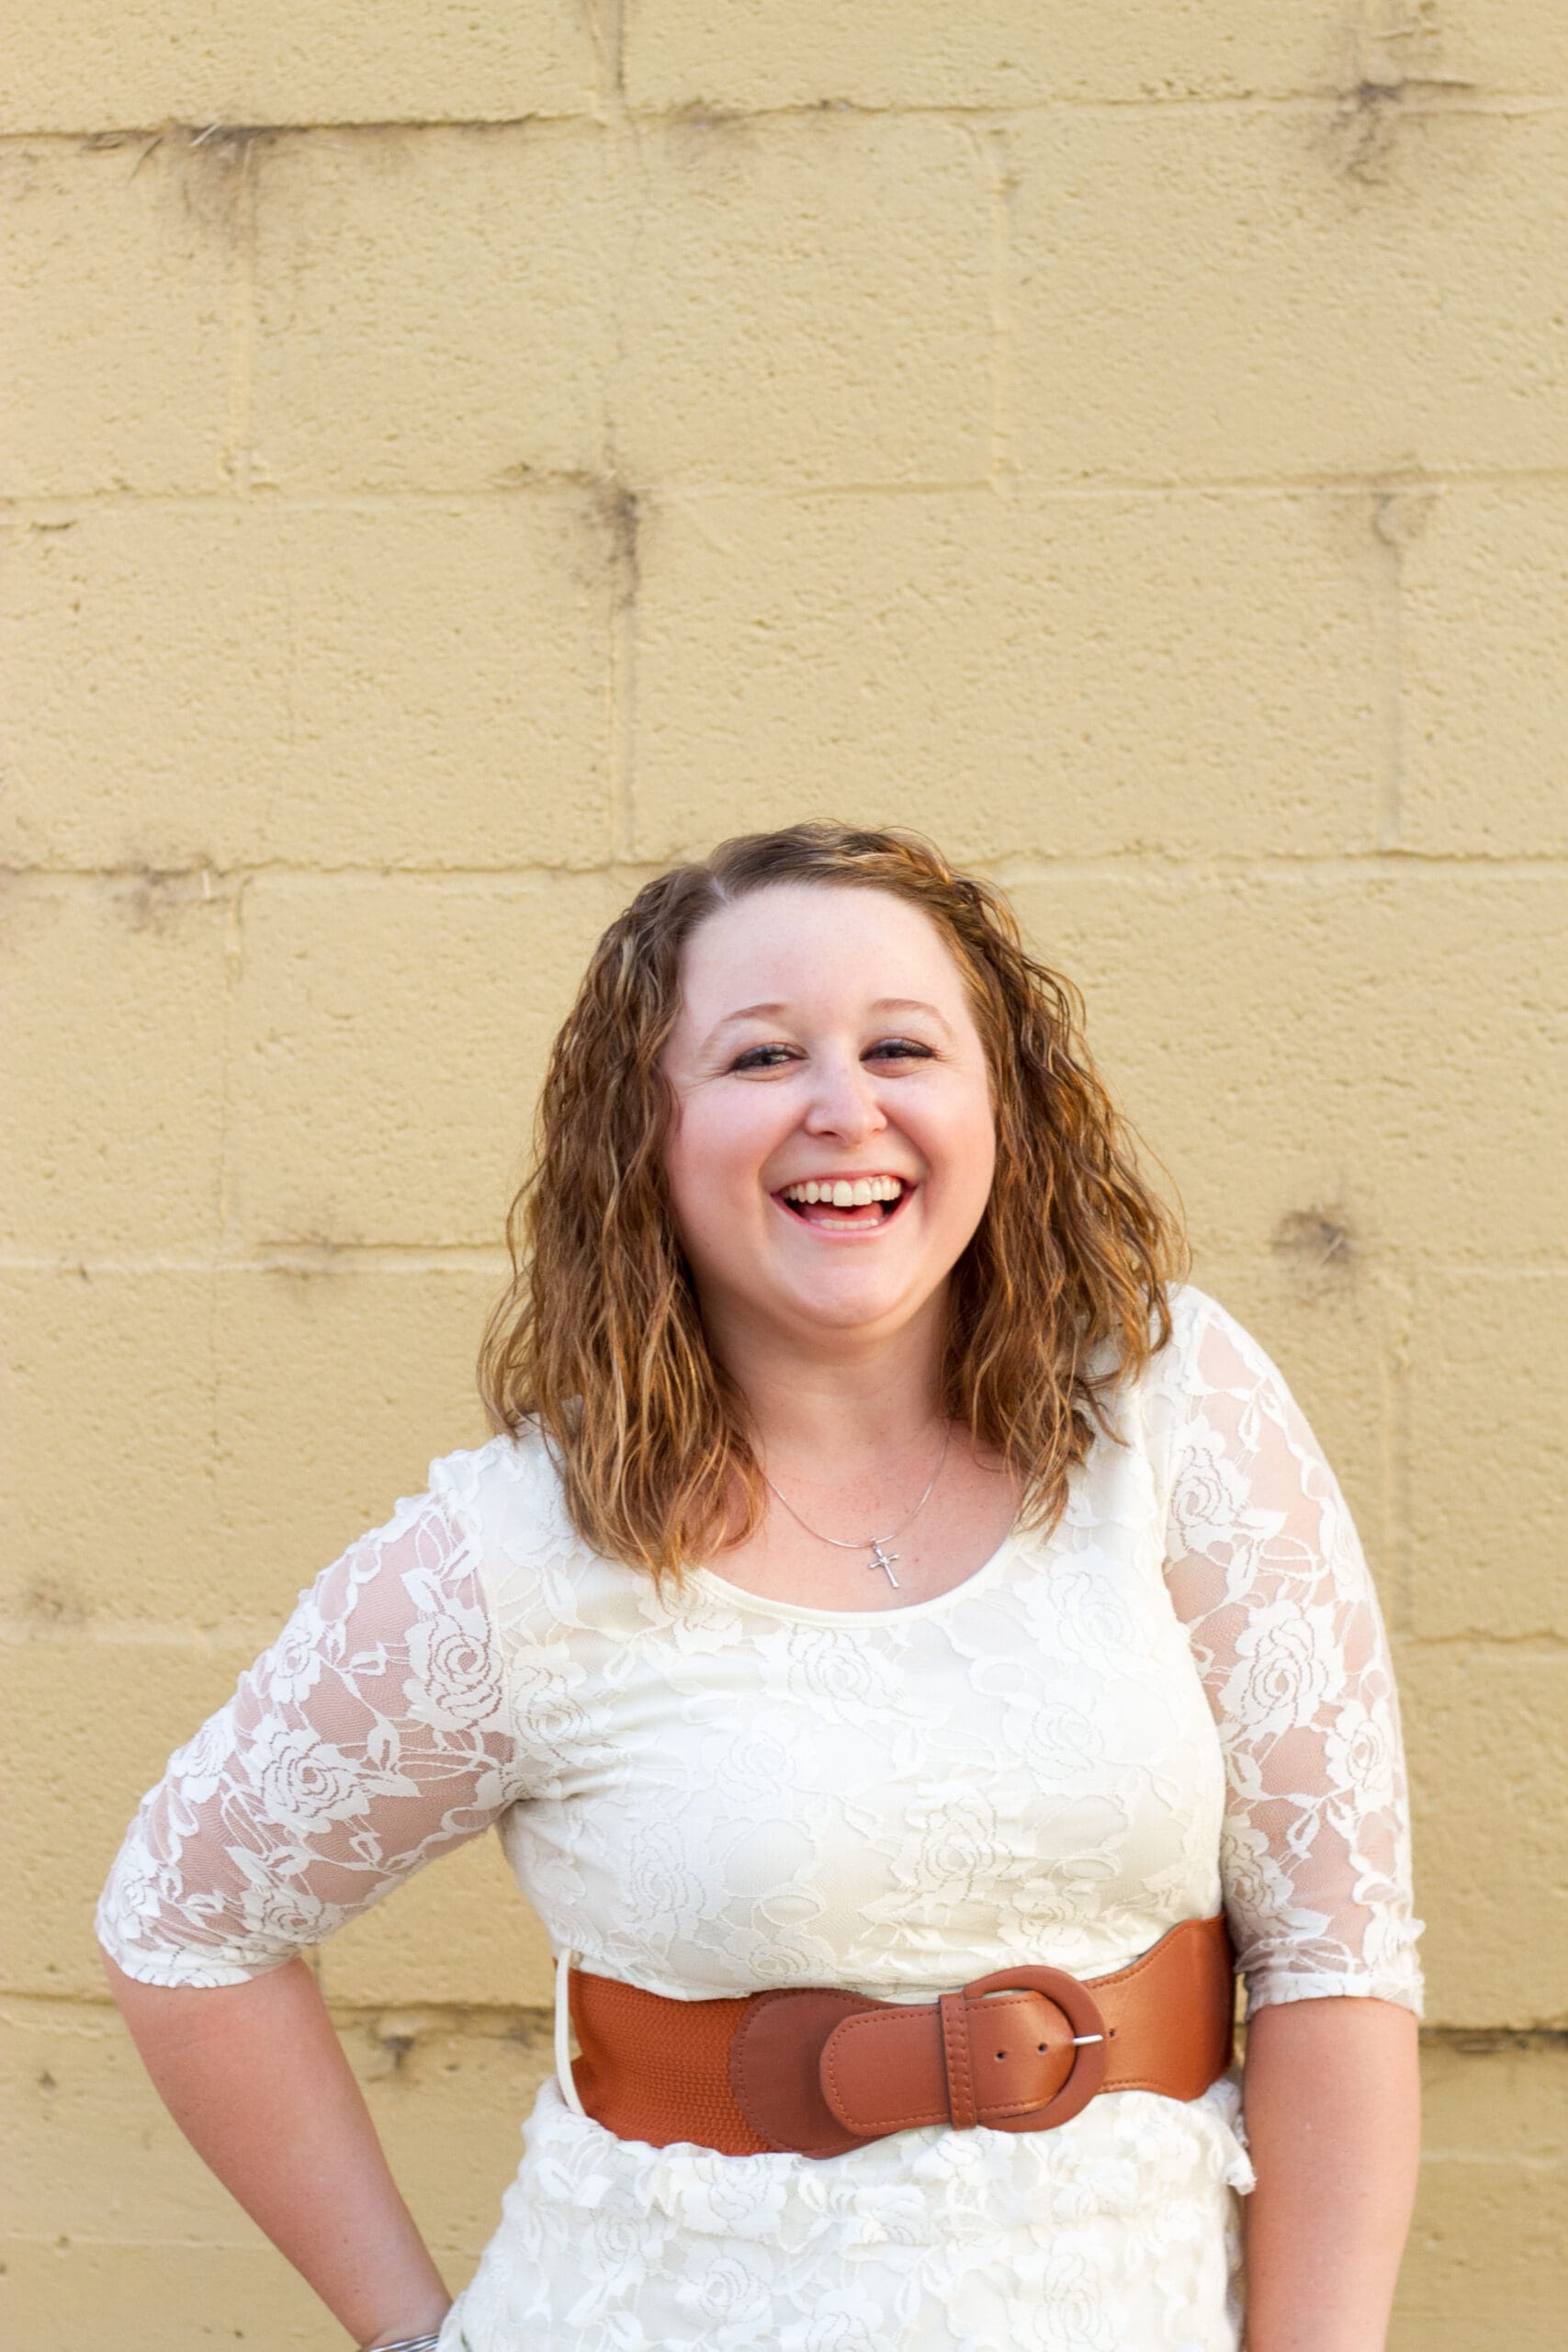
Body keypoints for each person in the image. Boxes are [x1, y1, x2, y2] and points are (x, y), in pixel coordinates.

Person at [96, 823, 1424, 2352]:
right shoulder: (518, 1544)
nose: (843, 1110)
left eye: (903, 1046)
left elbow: (1337, 1959)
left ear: (1000, 1102)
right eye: (761, 1058)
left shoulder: (1174, 1410)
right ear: (644, 1133)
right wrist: (412, 2337)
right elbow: (185, 1927)